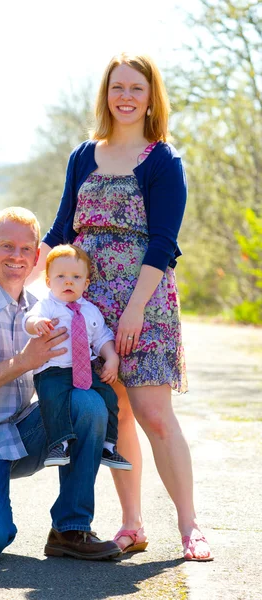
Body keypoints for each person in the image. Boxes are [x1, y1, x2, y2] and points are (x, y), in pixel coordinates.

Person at [27, 53, 213, 561]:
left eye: (136, 88)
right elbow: (62, 230)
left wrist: (133, 311)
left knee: (154, 414)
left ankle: (189, 525)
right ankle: (131, 525)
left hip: (143, 302)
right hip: (86, 301)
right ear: (105, 96)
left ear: (151, 97)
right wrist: (19, 273)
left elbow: (162, 244)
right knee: (118, 415)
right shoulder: (84, 155)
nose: (125, 97)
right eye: (117, 88)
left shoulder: (162, 160)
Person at [0, 206, 122, 562]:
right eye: (6, 246)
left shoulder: (43, 307)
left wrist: (110, 357)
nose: (16, 256)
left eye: (25, 249)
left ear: (36, 258)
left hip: (20, 432)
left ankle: (70, 528)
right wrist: (24, 362)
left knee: (88, 404)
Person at [23, 243, 132, 470]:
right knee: (53, 398)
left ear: (86, 283)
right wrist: (37, 324)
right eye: (60, 276)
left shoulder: (91, 310)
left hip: (85, 370)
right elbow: (28, 321)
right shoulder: (47, 306)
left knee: (110, 398)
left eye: (76, 276)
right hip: (53, 369)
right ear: (48, 282)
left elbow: (102, 337)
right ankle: (59, 444)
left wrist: (112, 358)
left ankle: (108, 446)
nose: (68, 281)